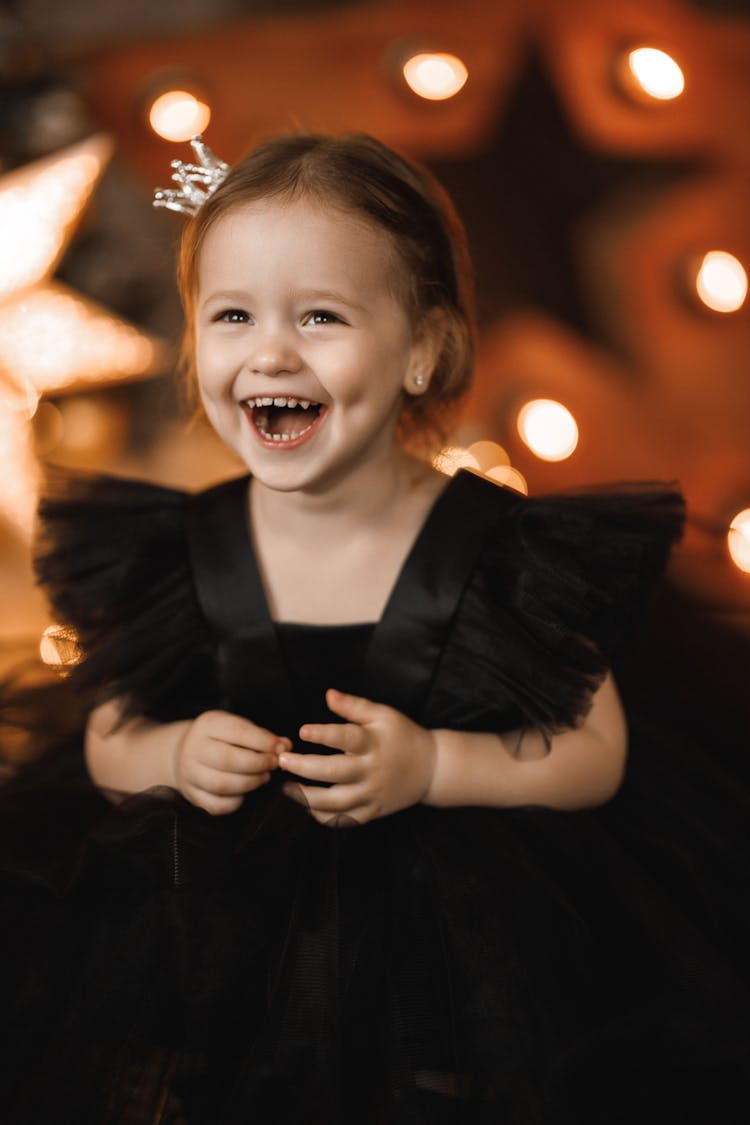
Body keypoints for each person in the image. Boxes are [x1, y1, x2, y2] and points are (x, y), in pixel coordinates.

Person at [0, 132, 747, 1125]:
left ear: (423, 351)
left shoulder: (495, 553)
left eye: (321, 316)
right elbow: (109, 736)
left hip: (457, 921)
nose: (269, 351)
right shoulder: (179, 550)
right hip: (225, 922)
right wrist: (173, 753)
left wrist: (436, 766)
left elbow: (591, 749)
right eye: (231, 315)